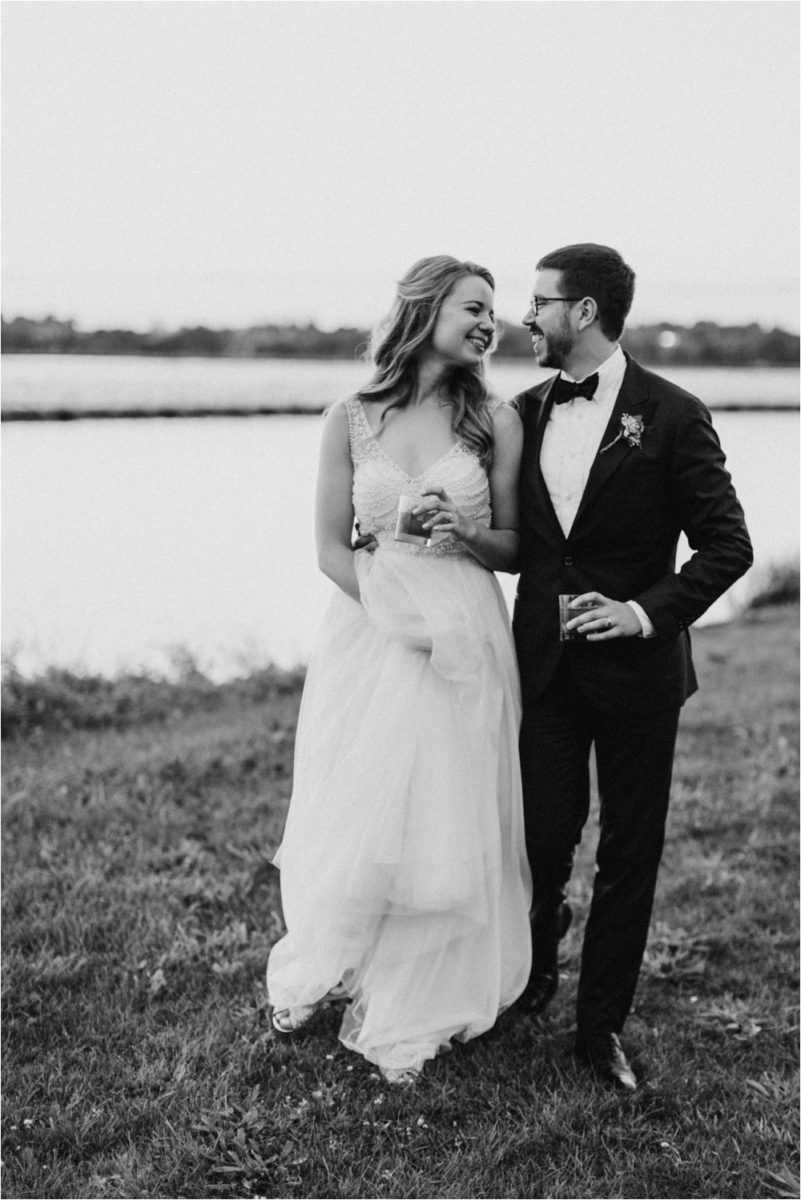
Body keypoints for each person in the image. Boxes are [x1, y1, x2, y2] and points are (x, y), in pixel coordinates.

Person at [266, 255, 532, 1084]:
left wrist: (462, 533)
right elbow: (325, 549)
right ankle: (332, 964)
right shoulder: (348, 415)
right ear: (424, 309)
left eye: (494, 312)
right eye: (474, 306)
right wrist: (397, 618)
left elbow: (516, 547)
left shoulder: (495, 418)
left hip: (464, 634)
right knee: (357, 803)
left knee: (445, 809)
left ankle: (420, 994)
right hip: (370, 630)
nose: (490, 322)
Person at [512, 243, 753, 1091]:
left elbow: (728, 546)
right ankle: (532, 971)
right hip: (540, 670)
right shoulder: (522, 409)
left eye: (538, 302)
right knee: (539, 842)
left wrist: (642, 613)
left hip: (639, 679)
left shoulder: (673, 413)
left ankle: (598, 1025)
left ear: (581, 312)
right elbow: (520, 542)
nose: (525, 315)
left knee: (629, 851)